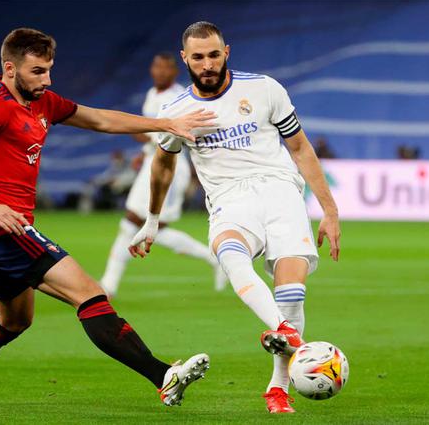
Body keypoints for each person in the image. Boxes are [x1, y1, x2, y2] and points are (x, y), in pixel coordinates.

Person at [0, 28, 215, 408]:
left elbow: (101, 120)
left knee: (13, 322)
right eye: (37, 71)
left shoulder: (43, 103)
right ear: (9, 68)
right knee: (90, 294)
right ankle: (162, 375)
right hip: (3, 228)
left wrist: (165, 125)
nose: (47, 79)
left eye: (49, 69)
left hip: (5, 230)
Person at [129, 21, 341, 414]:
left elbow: (300, 147)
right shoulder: (175, 110)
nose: (207, 64)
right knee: (230, 254)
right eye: (198, 57)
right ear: (185, 59)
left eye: (213, 54)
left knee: (292, 293)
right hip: (229, 197)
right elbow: (161, 166)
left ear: (226, 52)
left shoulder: (264, 89)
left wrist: (329, 210)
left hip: (281, 190)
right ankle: (286, 333)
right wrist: (153, 218)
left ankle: (278, 388)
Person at [100, 52, 225, 297]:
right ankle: (108, 284)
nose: (160, 72)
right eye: (156, 66)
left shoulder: (177, 97)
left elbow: (170, 133)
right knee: (136, 223)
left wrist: (138, 132)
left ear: (174, 72)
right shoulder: (152, 94)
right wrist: (144, 148)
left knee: (142, 223)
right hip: (151, 160)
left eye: (165, 68)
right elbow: (151, 134)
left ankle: (109, 284)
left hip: (170, 164)